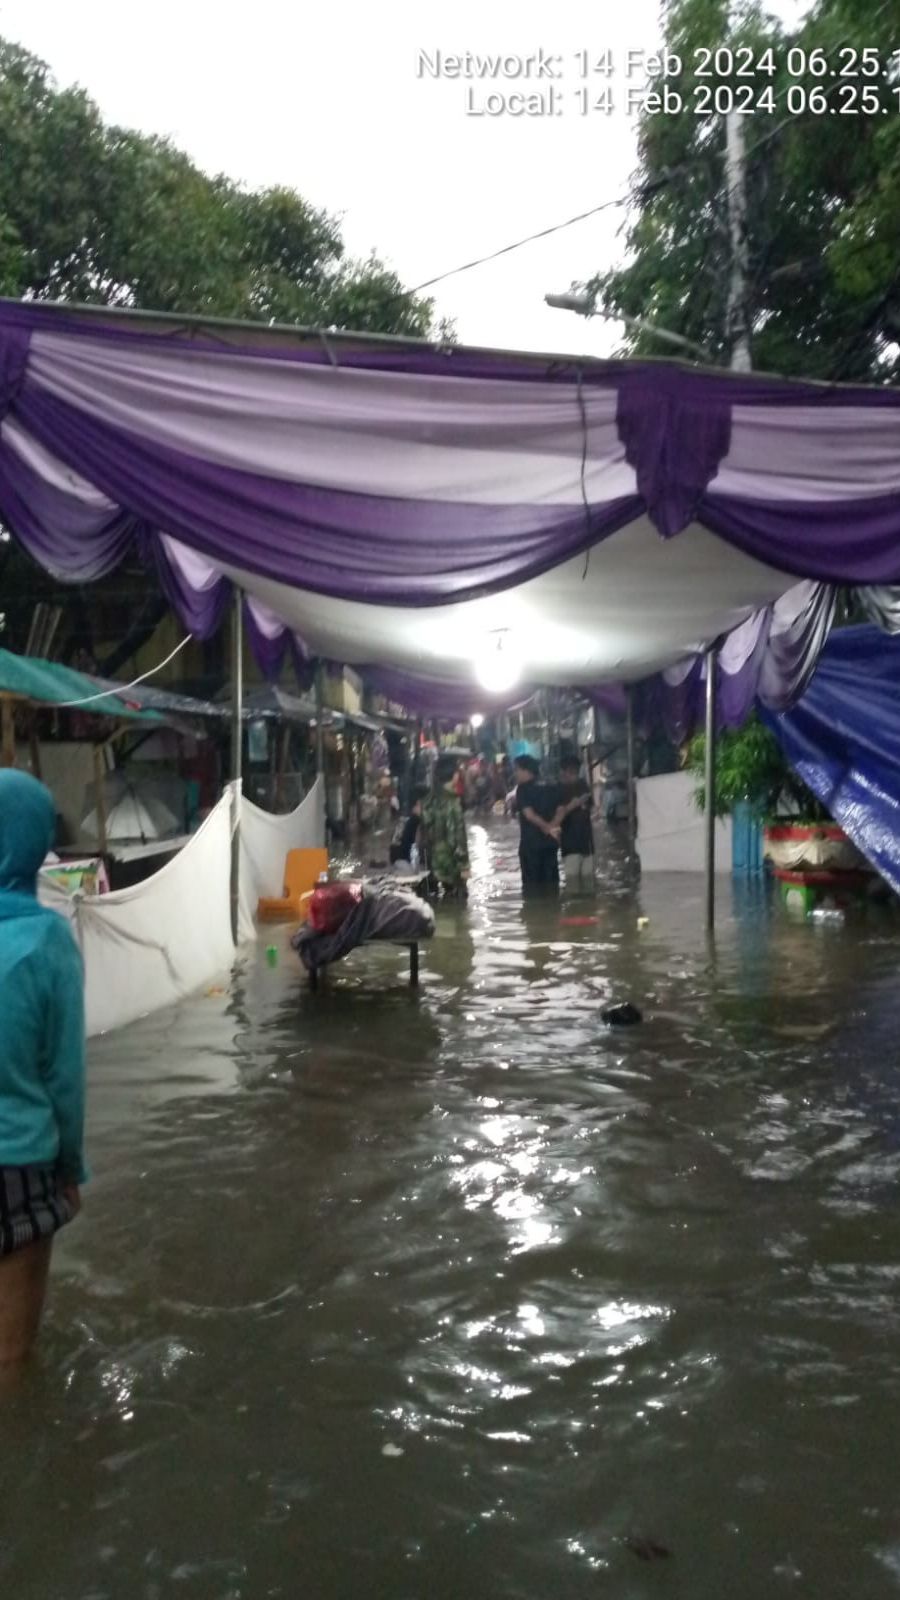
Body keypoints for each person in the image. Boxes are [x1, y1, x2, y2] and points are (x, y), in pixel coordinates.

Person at [0, 770, 87, 1368]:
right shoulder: (48, 942)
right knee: (11, 1355)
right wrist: (71, 1169)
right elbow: (65, 1078)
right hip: (20, 1166)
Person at [420, 754, 471, 897]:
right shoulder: (453, 802)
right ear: (454, 775)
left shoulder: (429, 799)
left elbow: (424, 831)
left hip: (432, 861)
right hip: (451, 863)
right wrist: (464, 866)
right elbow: (458, 837)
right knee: (458, 906)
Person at [513, 755, 560, 894]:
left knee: (532, 890)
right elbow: (561, 809)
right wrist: (552, 828)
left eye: (517, 770)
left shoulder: (522, 789)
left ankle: (535, 915)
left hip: (531, 846)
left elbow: (529, 814)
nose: (515, 773)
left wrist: (546, 827)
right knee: (552, 887)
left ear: (526, 770)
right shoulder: (551, 785)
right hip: (550, 844)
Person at [555, 755, 595, 892]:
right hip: (570, 845)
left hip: (586, 844)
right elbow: (557, 818)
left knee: (587, 883)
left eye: (575, 770)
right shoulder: (558, 790)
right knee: (573, 884)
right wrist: (574, 805)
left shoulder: (583, 785)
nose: (572, 773)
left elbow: (589, 806)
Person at [390, 784, 429, 866]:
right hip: (407, 865)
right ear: (418, 803)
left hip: (399, 862)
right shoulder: (415, 822)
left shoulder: (405, 820)